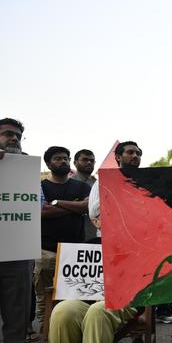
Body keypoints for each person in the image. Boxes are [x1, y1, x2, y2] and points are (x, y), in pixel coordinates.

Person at [49, 141, 145, 343]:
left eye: (138, 153)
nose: (135, 156)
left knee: (98, 312)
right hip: (89, 297)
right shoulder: (90, 246)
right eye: (130, 152)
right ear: (96, 219)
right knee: (63, 311)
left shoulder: (143, 248)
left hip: (125, 300)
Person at [36, 146, 91, 330]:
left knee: (74, 298)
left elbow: (87, 207)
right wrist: (73, 206)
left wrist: (57, 203)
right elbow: (42, 211)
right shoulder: (40, 186)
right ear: (48, 163)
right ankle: (47, 335)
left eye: (66, 158)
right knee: (44, 299)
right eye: (58, 158)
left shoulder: (82, 186)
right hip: (45, 251)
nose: (63, 161)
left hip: (75, 252)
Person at [0, 118, 34, 343]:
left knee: (16, 318)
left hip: (17, 254)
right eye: (8, 134)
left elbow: (37, 206)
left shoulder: (26, 169)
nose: (14, 139)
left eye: (18, 136)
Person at [71, 149, 98, 241]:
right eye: (85, 160)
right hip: (73, 235)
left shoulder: (99, 184)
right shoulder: (67, 183)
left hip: (95, 234)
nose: (89, 162)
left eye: (91, 160)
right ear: (75, 162)